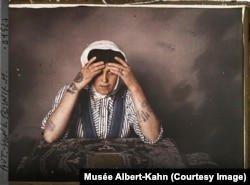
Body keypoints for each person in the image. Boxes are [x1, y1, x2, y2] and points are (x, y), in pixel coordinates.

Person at [41, 40, 163, 144]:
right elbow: (50, 136)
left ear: (120, 74)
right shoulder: (71, 92)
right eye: (98, 72)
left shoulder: (129, 95)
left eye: (111, 72)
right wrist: (76, 86)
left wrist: (134, 86)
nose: (104, 80)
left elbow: (153, 137)